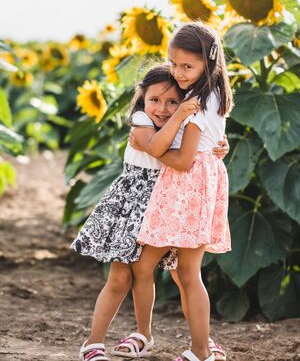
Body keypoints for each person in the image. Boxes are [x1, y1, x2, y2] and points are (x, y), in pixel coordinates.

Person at [72, 65, 229, 361]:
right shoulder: (141, 121)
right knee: (121, 275)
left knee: (182, 275)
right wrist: (182, 114)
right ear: (142, 96)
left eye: (172, 102)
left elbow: (201, 144)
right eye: (154, 99)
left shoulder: (183, 123)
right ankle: (94, 343)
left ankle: (193, 341)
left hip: (169, 203)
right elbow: (157, 148)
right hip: (132, 206)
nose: (162, 108)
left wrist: (219, 144)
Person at [128, 22, 233, 361]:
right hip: (200, 183)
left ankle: (198, 349)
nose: (178, 72)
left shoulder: (199, 101)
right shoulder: (211, 93)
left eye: (187, 66)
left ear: (209, 61)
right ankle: (199, 346)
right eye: (174, 64)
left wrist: (151, 147)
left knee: (159, 268)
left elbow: (185, 160)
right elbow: (205, 146)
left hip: (188, 186)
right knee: (184, 272)